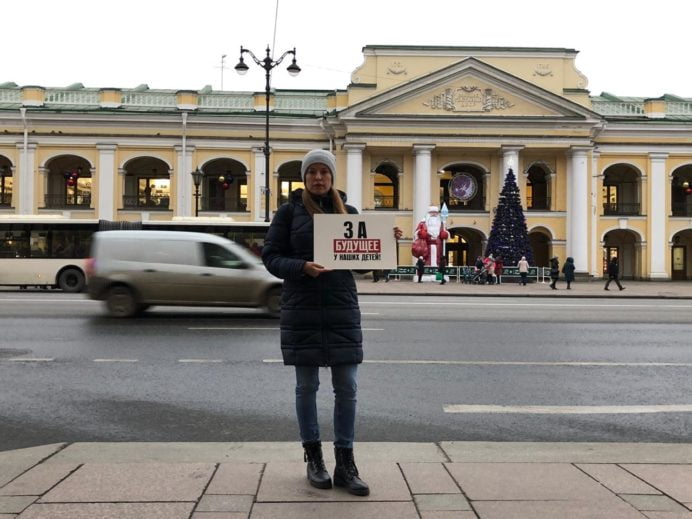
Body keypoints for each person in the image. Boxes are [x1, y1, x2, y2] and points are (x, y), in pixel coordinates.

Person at [262, 149, 402, 497]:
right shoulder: (289, 212)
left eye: (325, 172)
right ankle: (314, 459)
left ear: (333, 177)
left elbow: (363, 266)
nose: (319, 178)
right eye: (313, 173)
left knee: (348, 388)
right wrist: (302, 267)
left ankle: (346, 464)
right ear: (305, 178)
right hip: (303, 308)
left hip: (340, 307)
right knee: (306, 387)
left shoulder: (348, 213)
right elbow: (271, 257)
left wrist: (387, 242)